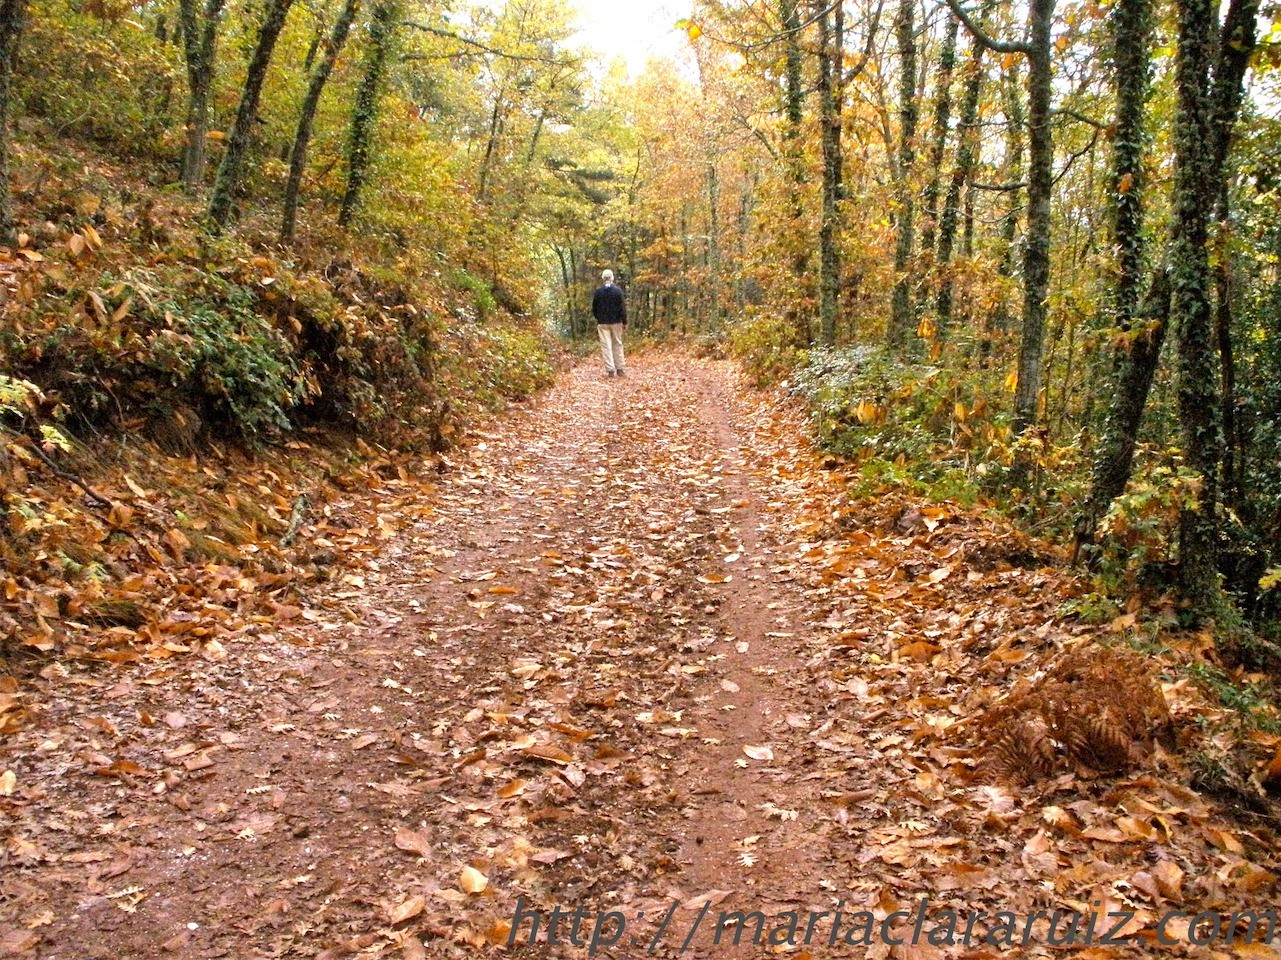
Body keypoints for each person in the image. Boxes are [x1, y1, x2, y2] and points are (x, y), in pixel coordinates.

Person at [591, 269, 627, 377]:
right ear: (612, 278)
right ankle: (620, 369)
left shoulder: (598, 292)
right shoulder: (618, 291)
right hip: (616, 322)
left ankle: (610, 370)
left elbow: (594, 308)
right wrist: (624, 321)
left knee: (606, 346)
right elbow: (622, 308)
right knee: (617, 344)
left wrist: (598, 318)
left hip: (603, 323)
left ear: (602, 278)